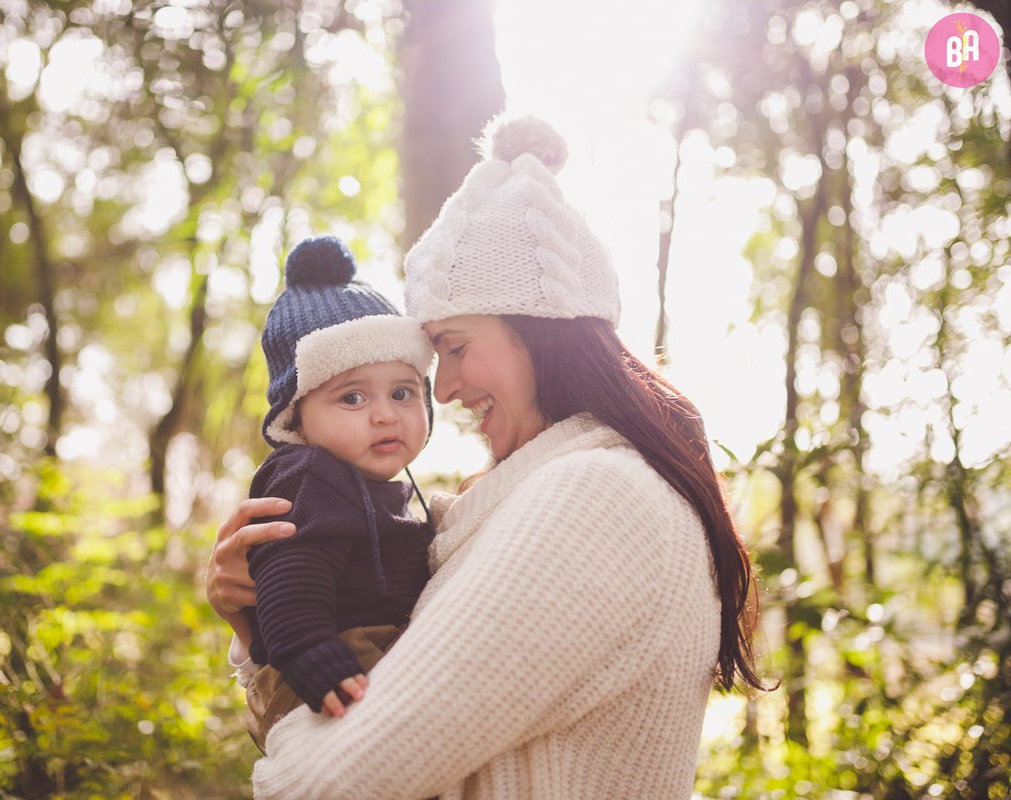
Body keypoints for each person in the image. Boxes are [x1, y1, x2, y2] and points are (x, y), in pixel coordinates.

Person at [207, 115, 764, 800]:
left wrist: (295, 730)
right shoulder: (522, 501)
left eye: (456, 347)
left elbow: (323, 783)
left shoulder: (597, 498)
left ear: (540, 332)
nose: (443, 389)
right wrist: (261, 628)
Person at [240, 234, 437, 751]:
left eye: (403, 392)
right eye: (351, 396)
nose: (385, 413)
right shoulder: (308, 473)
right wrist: (308, 650)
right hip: (329, 656)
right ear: (295, 416)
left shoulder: (380, 485)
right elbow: (290, 567)